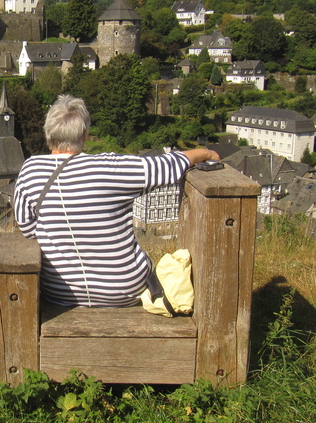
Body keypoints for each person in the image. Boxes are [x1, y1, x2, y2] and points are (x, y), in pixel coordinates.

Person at [13, 94, 219, 307]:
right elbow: (166, 165)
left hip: (60, 291)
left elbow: (28, 229)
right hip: (124, 289)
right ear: (84, 134)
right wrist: (204, 152)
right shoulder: (110, 167)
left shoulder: (31, 170)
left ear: (49, 134)